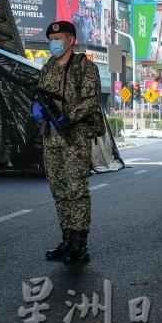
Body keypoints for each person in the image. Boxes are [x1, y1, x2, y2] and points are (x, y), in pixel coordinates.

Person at [31, 20, 102, 265]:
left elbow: (92, 101)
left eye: (57, 38)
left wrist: (67, 116)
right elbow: (39, 94)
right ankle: (67, 238)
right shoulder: (48, 66)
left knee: (76, 190)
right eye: (51, 40)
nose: (53, 43)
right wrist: (37, 108)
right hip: (51, 136)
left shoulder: (86, 67)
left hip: (75, 137)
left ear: (70, 40)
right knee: (59, 189)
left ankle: (80, 245)